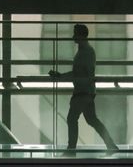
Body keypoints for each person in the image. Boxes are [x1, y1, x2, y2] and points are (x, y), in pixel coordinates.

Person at [49, 23, 119, 154]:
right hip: (86, 91)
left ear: (81, 35)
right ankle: (111, 145)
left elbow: (81, 74)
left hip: (83, 91)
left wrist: (61, 77)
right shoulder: (84, 51)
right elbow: (80, 73)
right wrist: (61, 76)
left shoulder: (86, 52)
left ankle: (71, 149)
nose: (73, 36)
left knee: (72, 118)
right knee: (92, 120)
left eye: (75, 33)